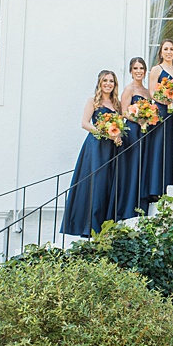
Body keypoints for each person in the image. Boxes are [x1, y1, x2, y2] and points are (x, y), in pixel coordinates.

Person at [61, 71, 120, 237]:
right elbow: (85, 123)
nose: (108, 84)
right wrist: (105, 132)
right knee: (97, 183)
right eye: (105, 81)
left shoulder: (117, 104)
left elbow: (120, 125)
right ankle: (90, 226)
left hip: (111, 148)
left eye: (111, 81)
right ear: (100, 83)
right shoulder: (93, 101)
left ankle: (106, 224)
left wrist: (117, 136)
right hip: (96, 146)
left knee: (108, 183)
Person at [116, 57, 151, 219]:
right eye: (135, 68)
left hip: (145, 132)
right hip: (132, 131)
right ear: (131, 71)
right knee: (132, 167)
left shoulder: (146, 91)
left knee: (143, 166)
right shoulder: (129, 89)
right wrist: (140, 119)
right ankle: (128, 208)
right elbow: (124, 112)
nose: (139, 71)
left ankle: (140, 205)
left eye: (141, 68)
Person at [146, 39, 173, 199]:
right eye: (166, 49)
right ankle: (155, 188)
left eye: (171, 49)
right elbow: (151, 92)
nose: (169, 52)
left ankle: (169, 186)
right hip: (161, 112)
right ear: (161, 52)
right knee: (159, 147)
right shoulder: (156, 69)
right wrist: (164, 100)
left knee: (172, 148)